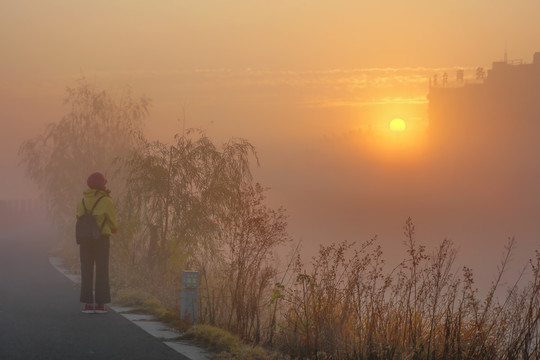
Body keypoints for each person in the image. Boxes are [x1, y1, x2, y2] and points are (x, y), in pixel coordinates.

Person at [76, 172, 118, 314]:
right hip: (101, 240)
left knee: (86, 271)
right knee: (102, 271)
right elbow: (113, 224)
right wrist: (112, 229)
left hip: (85, 241)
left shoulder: (82, 201)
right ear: (102, 184)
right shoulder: (106, 201)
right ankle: (100, 305)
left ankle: (87, 304)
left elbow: (79, 217)